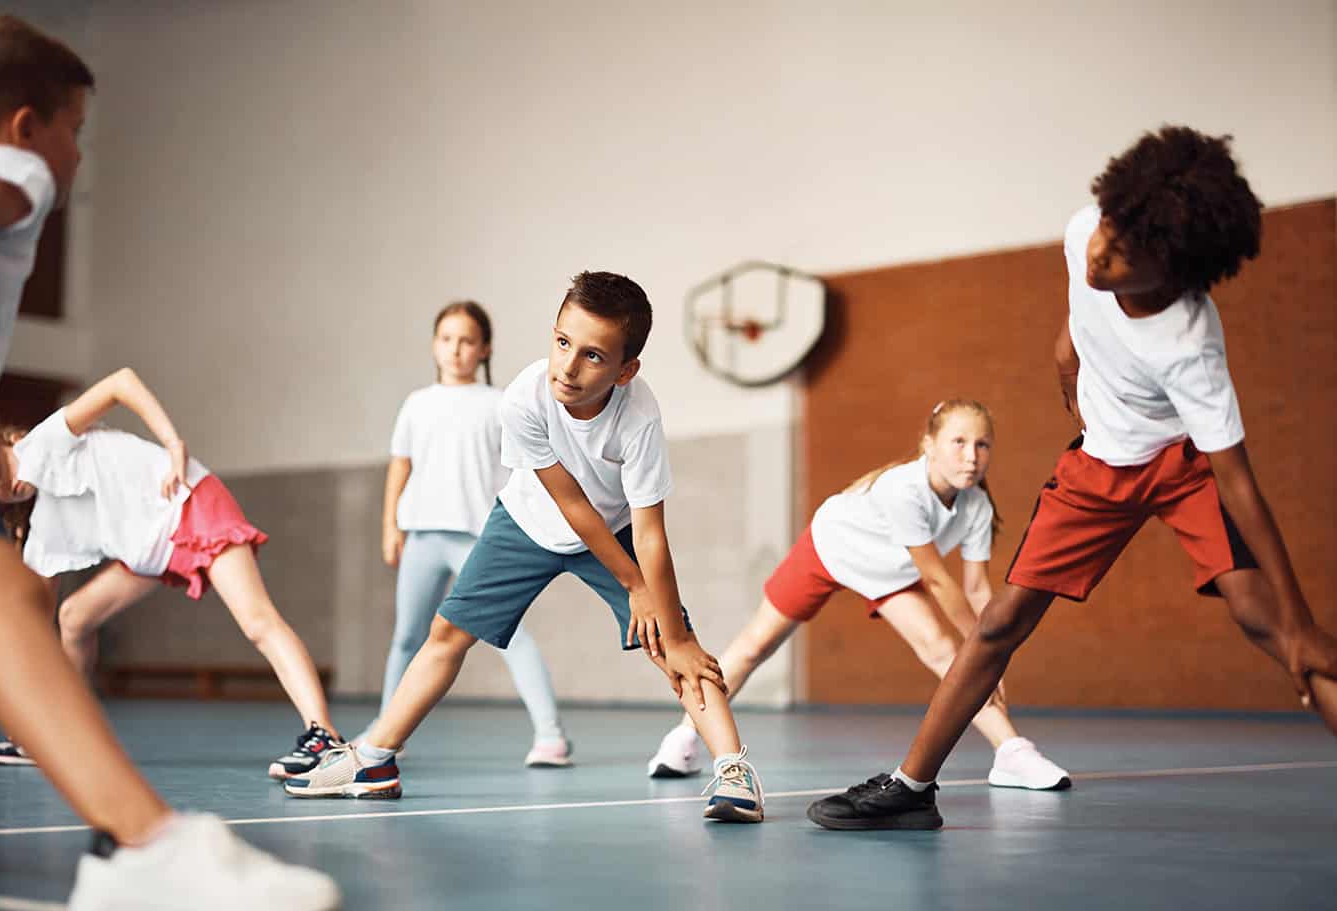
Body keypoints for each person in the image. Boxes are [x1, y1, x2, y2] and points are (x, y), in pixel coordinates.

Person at [0, 11, 337, 911]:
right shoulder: (9, 172)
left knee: (21, 596)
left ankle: (212, 799)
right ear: (29, 124)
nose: (76, 156)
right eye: (76, 131)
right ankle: (147, 848)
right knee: (5, 594)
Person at [808, 125, 1337, 832]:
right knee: (998, 624)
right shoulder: (1087, 230)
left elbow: (1239, 483)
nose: (1100, 253)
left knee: (1264, 620)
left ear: (1176, 270)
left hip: (1181, 468)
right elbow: (1072, 331)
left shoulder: (1189, 345)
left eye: (1127, 254)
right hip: (1095, 468)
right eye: (1108, 230)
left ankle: (1305, 649)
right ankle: (910, 789)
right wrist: (1072, 382)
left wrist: (1303, 624)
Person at [285, 271, 767, 823]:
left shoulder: (640, 417)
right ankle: (374, 762)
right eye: (562, 343)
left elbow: (650, 529)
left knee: (672, 645)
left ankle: (734, 770)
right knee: (446, 634)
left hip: (613, 534)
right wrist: (634, 585)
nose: (568, 366)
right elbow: (571, 505)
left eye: (592, 355)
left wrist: (672, 628)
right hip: (527, 520)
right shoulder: (523, 399)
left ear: (626, 369)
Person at [646, 400, 1069, 790]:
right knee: (755, 644)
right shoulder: (904, 489)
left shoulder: (976, 506)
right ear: (929, 446)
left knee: (944, 649)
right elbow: (939, 582)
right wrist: (981, 654)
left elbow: (977, 589)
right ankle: (684, 736)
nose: (971, 456)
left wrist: (987, 656)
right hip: (830, 547)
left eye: (982, 444)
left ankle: (1012, 752)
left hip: (890, 572)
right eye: (957, 442)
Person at [0, 366, 343, 781]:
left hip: (189, 504)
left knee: (258, 622)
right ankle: (65, 738)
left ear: (4, 442)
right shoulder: (43, 529)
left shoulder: (44, 443)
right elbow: (32, 624)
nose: (2, 485)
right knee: (74, 618)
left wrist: (173, 445)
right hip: (151, 547)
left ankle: (326, 740)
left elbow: (121, 382)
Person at [358, 300, 570, 767]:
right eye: (447, 339)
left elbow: (528, 468)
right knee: (407, 637)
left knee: (509, 635)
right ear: (435, 345)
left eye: (467, 340)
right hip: (423, 536)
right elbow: (401, 465)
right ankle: (386, 731)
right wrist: (389, 523)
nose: (455, 349)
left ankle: (550, 735)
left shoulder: (500, 404)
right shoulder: (417, 403)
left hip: (478, 537)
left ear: (484, 348)